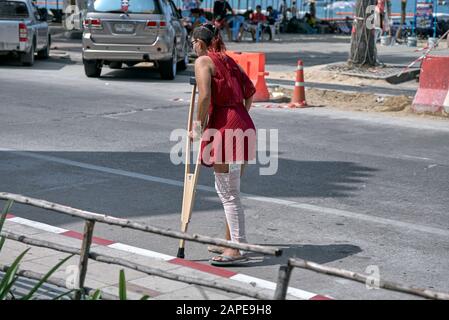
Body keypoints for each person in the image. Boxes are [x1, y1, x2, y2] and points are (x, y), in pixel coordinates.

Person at [190, 24, 257, 266]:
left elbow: (205, 96)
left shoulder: (203, 62)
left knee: (227, 192)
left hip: (226, 127)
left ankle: (237, 248)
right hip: (243, 123)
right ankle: (232, 241)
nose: (192, 46)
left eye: (193, 42)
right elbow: (250, 91)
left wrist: (197, 126)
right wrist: (238, 115)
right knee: (232, 189)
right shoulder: (228, 60)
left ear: (200, 42)